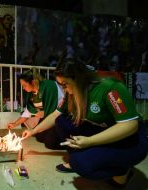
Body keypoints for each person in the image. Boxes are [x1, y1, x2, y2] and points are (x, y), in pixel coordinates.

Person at [22, 58, 148, 188]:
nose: (63, 89)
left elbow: (130, 125)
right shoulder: (71, 93)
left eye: (65, 84)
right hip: (102, 129)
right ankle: (85, 155)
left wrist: (90, 141)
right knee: (61, 121)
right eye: (61, 85)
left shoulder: (109, 88)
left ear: (79, 79)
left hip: (131, 139)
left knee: (80, 163)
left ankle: (123, 171)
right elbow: (55, 115)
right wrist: (32, 131)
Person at [7, 68, 65, 149]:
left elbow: (53, 112)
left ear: (33, 82)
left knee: (50, 142)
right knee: (39, 136)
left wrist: (44, 113)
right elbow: (28, 112)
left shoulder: (48, 87)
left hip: (60, 116)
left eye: (24, 85)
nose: (23, 88)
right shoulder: (31, 93)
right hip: (48, 116)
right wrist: (14, 124)